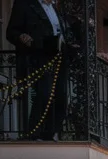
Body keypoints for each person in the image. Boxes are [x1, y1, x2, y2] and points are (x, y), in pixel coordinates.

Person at [6, 0, 71, 140]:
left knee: (61, 98)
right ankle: (33, 133)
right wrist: (23, 37)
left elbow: (64, 34)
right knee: (44, 94)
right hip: (38, 57)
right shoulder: (24, 4)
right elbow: (11, 32)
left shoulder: (55, 9)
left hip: (60, 59)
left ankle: (49, 133)